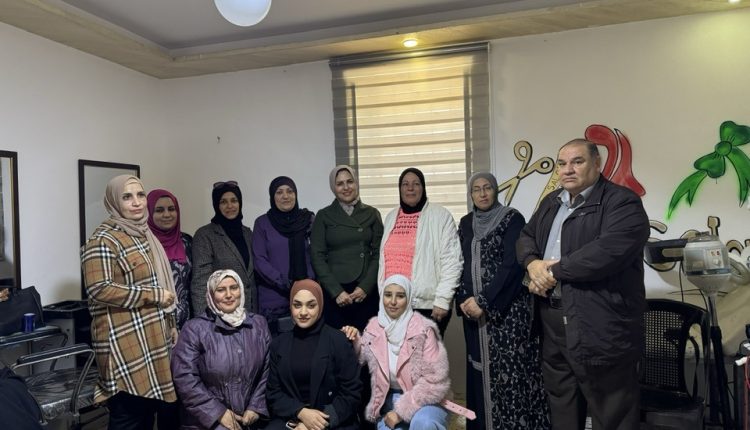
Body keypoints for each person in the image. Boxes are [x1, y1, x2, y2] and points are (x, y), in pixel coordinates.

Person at [516, 139, 650, 430]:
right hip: (551, 317)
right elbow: (526, 236)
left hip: (600, 323)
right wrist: (532, 264)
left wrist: (551, 272)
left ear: (597, 164)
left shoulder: (622, 202)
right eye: (562, 163)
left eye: (577, 162)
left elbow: (606, 252)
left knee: (612, 411)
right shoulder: (552, 202)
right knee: (562, 402)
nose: (568, 170)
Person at [81, 175, 177, 430]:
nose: (136, 202)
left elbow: (158, 279)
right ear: (113, 202)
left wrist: (170, 323)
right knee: (128, 416)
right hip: (124, 342)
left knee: (146, 414)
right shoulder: (103, 239)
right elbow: (99, 289)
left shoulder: (144, 234)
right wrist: (152, 295)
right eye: (127, 197)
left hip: (152, 338)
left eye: (140, 195)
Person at [456, 172, 549, 430]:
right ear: (471, 194)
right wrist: (463, 298)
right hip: (473, 316)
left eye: (487, 188)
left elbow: (512, 267)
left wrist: (484, 301)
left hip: (507, 315)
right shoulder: (465, 223)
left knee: (511, 376)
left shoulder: (512, 218)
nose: (482, 193)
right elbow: (458, 262)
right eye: (476, 189)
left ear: (496, 190)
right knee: (479, 371)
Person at [341, 275, 450, 430]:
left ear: (409, 299)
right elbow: (361, 357)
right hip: (389, 400)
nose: (392, 302)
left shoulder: (424, 330)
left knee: (423, 424)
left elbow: (434, 383)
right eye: (388, 295)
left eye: (400, 296)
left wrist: (400, 412)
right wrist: (353, 338)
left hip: (425, 400)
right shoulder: (374, 327)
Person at [171, 269, 270, 430]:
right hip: (205, 421)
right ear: (211, 295)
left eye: (234, 288)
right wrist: (218, 413)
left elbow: (268, 370)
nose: (229, 295)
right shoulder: (194, 329)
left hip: (250, 419)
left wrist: (256, 407)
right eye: (221, 290)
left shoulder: (258, 324)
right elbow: (184, 377)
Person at [265, 279, 361, 430]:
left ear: (320, 306)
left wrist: (315, 423)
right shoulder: (279, 344)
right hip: (292, 418)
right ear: (290, 306)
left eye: (311, 305)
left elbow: (351, 393)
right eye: (297, 305)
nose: (303, 312)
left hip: (332, 420)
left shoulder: (338, 340)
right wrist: (301, 413)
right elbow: (274, 394)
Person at [378, 167, 462, 336]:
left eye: (416, 184)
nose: (410, 188)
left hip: (427, 306)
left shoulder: (440, 216)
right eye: (405, 184)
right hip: (393, 306)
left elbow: (452, 261)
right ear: (399, 188)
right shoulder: (391, 217)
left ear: (423, 187)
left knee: (425, 353)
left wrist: (443, 299)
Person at [310, 165, 383, 331]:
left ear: (356, 183)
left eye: (350, 181)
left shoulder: (372, 213)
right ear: (333, 187)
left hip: (365, 290)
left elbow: (379, 254)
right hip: (335, 291)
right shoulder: (324, 215)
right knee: (338, 342)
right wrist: (336, 292)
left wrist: (366, 287)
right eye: (340, 183)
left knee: (367, 342)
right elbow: (317, 256)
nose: (346, 187)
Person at [253, 176, 315, 336]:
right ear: (272, 197)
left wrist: (307, 283)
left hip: (306, 296)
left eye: (290, 191)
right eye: (279, 192)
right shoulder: (262, 223)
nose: (285, 196)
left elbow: (316, 254)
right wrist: (285, 282)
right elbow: (259, 260)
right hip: (274, 299)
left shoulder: (308, 220)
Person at [192, 181, 256, 315]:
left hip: (250, 312)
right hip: (221, 315)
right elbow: (200, 283)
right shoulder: (205, 235)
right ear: (216, 205)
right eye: (223, 202)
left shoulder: (248, 233)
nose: (230, 206)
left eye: (234, 200)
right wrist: (204, 319)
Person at [148, 189, 193, 330]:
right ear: (148, 213)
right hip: (154, 321)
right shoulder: (143, 244)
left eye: (171, 209)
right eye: (159, 210)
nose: (167, 214)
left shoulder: (187, 241)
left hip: (186, 322)